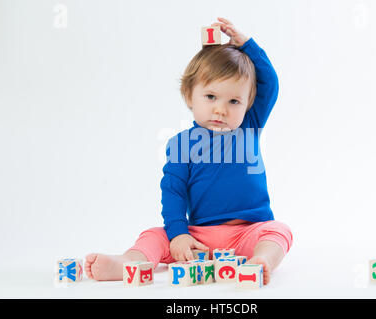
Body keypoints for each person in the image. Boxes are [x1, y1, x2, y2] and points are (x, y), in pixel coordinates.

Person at [85, 17, 293, 285]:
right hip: (199, 237)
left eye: (234, 101)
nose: (221, 109)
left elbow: (270, 84)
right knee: (154, 235)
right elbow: (173, 193)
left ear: (248, 104)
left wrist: (248, 45)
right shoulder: (181, 144)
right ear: (189, 96)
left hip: (247, 234)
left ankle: (262, 261)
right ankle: (128, 261)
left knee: (279, 231)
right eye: (210, 97)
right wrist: (179, 235)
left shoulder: (249, 127)